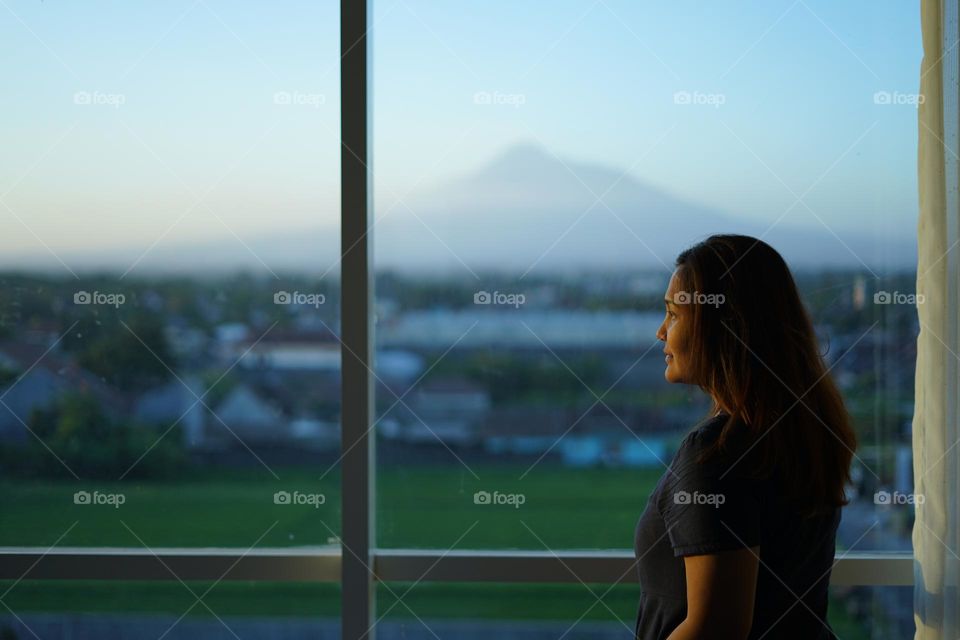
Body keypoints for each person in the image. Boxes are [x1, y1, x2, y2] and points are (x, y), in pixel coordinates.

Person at [633, 234, 857, 639]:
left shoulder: (716, 454)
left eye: (674, 314)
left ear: (724, 324)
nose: (661, 332)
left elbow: (716, 627)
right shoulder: (800, 433)